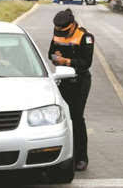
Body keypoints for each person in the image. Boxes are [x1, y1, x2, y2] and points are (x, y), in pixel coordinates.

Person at [48, 9, 94, 171]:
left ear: (73, 24)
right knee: (61, 118)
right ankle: (63, 155)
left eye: (65, 31)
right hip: (62, 80)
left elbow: (85, 63)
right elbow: (50, 54)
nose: (61, 34)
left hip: (80, 82)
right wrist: (56, 58)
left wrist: (65, 61)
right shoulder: (58, 32)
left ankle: (81, 158)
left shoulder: (85, 37)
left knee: (76, 117)